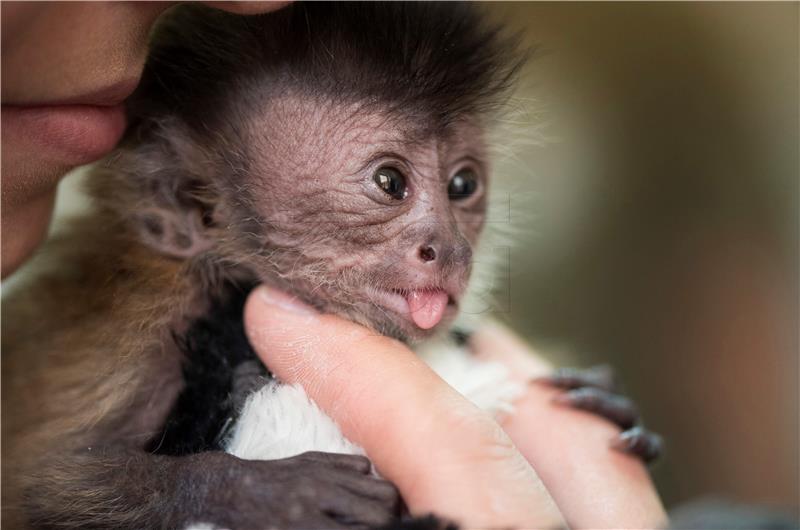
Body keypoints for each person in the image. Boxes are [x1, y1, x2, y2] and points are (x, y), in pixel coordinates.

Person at [1, 2, 666, 528]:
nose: (447, 246)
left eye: (462, 185)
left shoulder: (355, 291)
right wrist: (221, 489)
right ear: (190, 203)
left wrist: (553, 417)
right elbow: (42, 479)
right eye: (387, 183)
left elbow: (464, 414)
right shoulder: (142, 314)